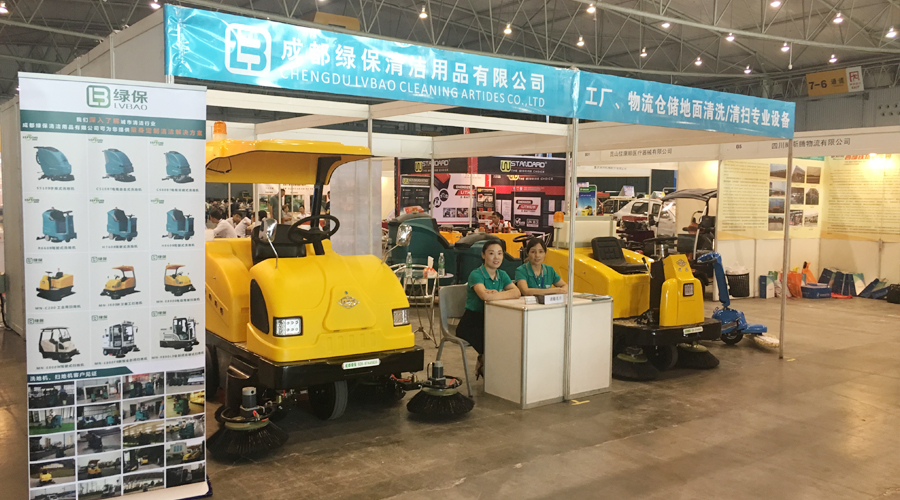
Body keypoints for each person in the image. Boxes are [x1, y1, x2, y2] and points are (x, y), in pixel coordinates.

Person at [456, 240, 521, 379]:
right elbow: (484, 296)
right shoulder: (476, 274)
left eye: (500, 253)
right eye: (491, 253)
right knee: (492, 345)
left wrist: (496, 294)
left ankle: (494, 371)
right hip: (471, 322)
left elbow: (517, 293)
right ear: (483, 255)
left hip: (493, 319)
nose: (496, 257)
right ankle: (487, 368)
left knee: (507, 339)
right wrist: (500, 294)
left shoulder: (502, 274)